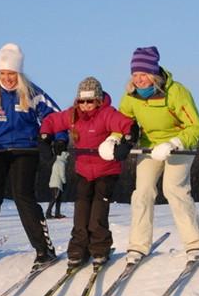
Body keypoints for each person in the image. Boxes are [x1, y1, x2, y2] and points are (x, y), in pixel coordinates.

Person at [0, 42, 67, 268]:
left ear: (19, 73)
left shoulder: (32, 92)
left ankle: (44, 249)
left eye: (12, 73)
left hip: (26, 149)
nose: (8, 78)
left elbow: (56, 117)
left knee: (23, 195)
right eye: (3, 73)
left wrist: (60, 137)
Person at [118, 46, 199, 263]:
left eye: (143, 74)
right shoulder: (131, 96)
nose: (138, 80)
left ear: (153, 74)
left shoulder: (176, 92)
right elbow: (122, 122)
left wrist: (174, 142)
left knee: (173, 188)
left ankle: (195, 243)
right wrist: (114, 138)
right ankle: (138, 245)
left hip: (179, 144)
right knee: (142, 192)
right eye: (135, 75)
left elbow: (196, 126)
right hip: (150, 147)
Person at [40, 76, 136, 267]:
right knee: (81, 211)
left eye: (90, 101)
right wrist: (45, 138)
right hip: (84, 171)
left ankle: (100, 248)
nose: (85, 105)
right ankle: (78, 248)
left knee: (98, 213)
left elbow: (128, 125)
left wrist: (127, 141)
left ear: (98, 100)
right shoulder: (73, 115)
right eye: (81, 101)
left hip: (106, 171)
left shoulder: (107, 114)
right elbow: (51, 121)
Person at [46, 150, 69, 219]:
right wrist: (65, 182)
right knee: (54, 198)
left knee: (58, 199)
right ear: (64, 156)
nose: (67, 158)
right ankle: (48, 213)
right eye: (67, 156)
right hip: (57, 184)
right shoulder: (61, 163)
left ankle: (57, 213)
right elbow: (62, 174)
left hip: (54, 183)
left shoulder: (56, 162)